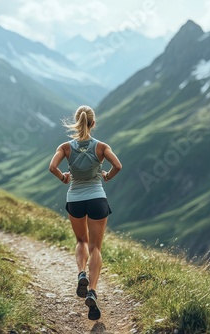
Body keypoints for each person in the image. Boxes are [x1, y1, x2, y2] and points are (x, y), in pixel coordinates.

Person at [48, 105, 122, 321]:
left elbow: (52, 167)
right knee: (95, 247)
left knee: (81, 241)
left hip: (76, 199)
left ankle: (81, 272)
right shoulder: (101, 147)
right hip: (97, 198)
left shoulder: (65, 147)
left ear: (77, 121)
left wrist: (64, 177)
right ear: (93, 123)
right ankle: (92, 290)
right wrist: (106, 176)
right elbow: (118, 165)